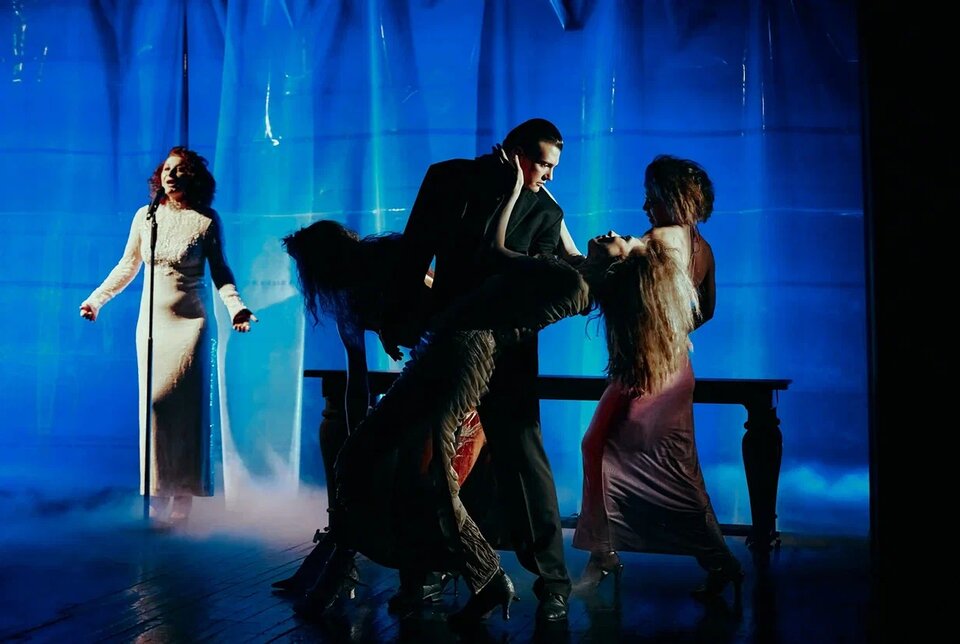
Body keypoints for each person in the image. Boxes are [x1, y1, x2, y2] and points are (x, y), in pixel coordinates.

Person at [330, 164, 698, 629]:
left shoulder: (574, 283)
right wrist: (540, 193)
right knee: (376, 459)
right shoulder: (581, 274)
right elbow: (564, 245)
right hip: (444, 346)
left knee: (435, 475)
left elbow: (497, 251)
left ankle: (483, 576)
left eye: (621, 239)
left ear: (619, 265)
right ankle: (424, 564)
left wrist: (514, 190)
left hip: (465, 354)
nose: (613, 231)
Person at [376, 117, 574, 624]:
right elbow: (413, 252)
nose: (549, 175)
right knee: (427, 458)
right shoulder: (449, 177)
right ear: (513, 152)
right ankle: (428, 571)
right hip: (445, 339)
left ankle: (553, 582)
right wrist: (394, 320)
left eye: (552, 166)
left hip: (507, 347)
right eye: (542, 163)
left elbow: (539, 285)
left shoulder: (545, 211)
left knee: (522, 459)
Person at [277, 219, 484, 616]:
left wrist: (397, 325)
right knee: (361, 466)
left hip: (457, 367)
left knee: (418, 474)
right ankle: (353, 563)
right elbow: (357, 379)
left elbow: (448, 309)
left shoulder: (392, 261)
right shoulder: (345, 299)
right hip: (424, 371)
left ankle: (428, 572)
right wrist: (357, 437)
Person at [571, 154, 743, 604]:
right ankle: (716, 561)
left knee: (601, 446)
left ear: (674, 198)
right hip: (673, 368)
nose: (645, 207)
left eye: (652, 198)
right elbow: (706, 310)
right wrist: (674, 330)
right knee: (674, 465)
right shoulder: (703, 248)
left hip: (648, 371)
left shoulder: (657, 239)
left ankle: (605, 553)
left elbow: (627, 289)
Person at [79, 146, 256, 525]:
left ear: (193, 178)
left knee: (186, 413)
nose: (171, 175)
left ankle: (183, 499)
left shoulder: (206, 220)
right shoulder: (146, 217)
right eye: (167, 170)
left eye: (179, 170)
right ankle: (157, 490)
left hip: (191, 325)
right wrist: (96, 300)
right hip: (152, 327)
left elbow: (220, 271)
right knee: (156, 410)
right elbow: (127, 265)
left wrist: (236, 307)